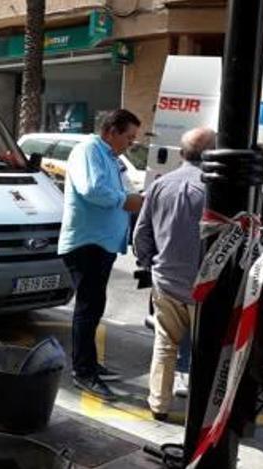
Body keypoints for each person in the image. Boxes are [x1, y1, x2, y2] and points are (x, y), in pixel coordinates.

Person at [58, 109, 144, 400]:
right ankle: (83, 373)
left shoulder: (109, 156)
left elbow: (117, 188)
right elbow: (92, 189)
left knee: (94, 307)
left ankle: (90, 363)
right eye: (128, 137)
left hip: (102, 243)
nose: (130, 143)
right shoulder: (88, 150)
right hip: (87, 242)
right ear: (111, 131)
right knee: (87, 307)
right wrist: (127, 201)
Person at [134, 127, 216, 421]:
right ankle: (202, 411)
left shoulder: (160, 185)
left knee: (165, 344)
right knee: (207, 350)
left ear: (182, 154)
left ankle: (159, 405)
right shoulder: (216, 190)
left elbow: (141, 233)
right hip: (204, 287)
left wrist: (149, 264)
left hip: (166, 281)